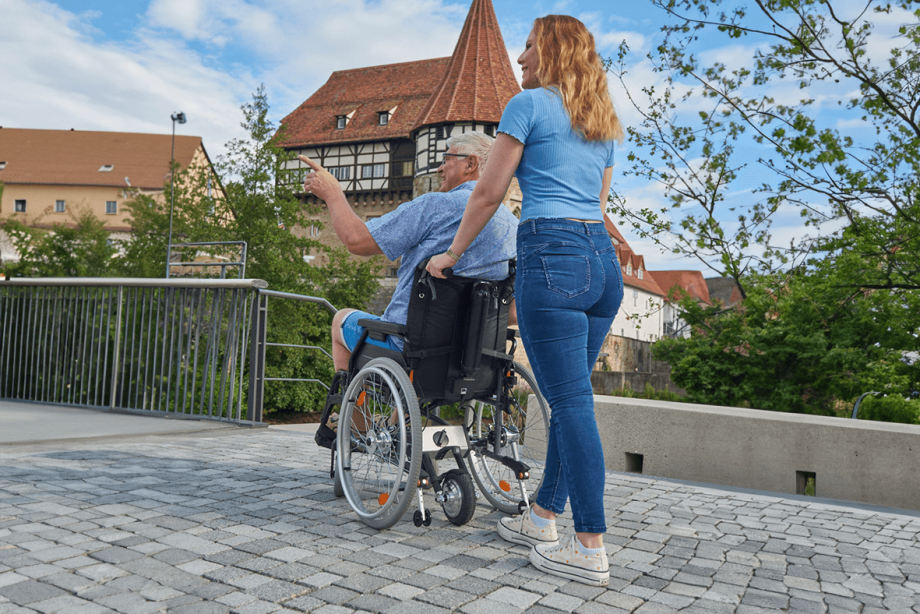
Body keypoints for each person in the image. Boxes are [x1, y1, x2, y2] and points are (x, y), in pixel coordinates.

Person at [427, 15, 625, 587]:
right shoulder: (603, 120)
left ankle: (589, 545)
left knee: (569, 406)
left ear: (553, 51)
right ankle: (541, 517)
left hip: (551, 255)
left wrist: (452, 256)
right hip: (600, 263)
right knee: (573, 398)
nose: (520, 57)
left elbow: (489, 191)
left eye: (531, 45)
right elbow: (599, 201)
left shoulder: (528, 105)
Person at [298, 131, 518, 372]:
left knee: (341, 318)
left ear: (471, 164)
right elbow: (514, 310)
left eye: (446, 159)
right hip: (474, 354)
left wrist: (332, 193)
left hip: (410, 347)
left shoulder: (434, 206)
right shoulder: (512, 225)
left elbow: (356, 240)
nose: (439, 169)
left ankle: (349, 409)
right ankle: (400, 410)